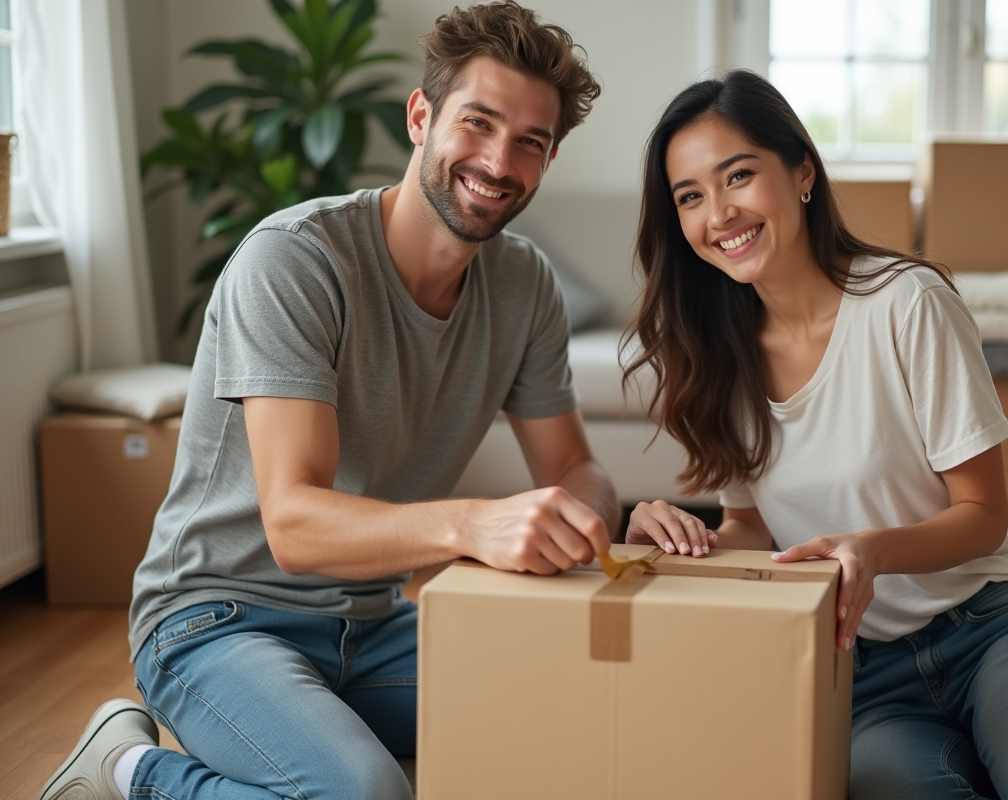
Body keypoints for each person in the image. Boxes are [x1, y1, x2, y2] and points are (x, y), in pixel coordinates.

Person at [40, 4, 615, 800]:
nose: (497, 159)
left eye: (530, 142)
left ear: (547, 160)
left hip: (374, 628)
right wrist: (474, 522)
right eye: (477, 123)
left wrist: (585, 519)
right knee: (365, 795)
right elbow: (295, 527)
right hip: (217, 620)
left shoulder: (525, 285)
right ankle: (127, 771)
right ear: (422, 116)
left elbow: (576, 466)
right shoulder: (296, 261)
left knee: (593, 715)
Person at [622, 69, 1008, 799]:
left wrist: (871, 549)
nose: (720, 213)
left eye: (739, 176)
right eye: (691, 197)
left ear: (802, 173)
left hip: (992, 625)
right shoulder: (717, 353)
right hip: (868, 671)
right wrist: (684, 545)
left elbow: (983, 517)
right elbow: (751, 525)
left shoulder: (905, 303)